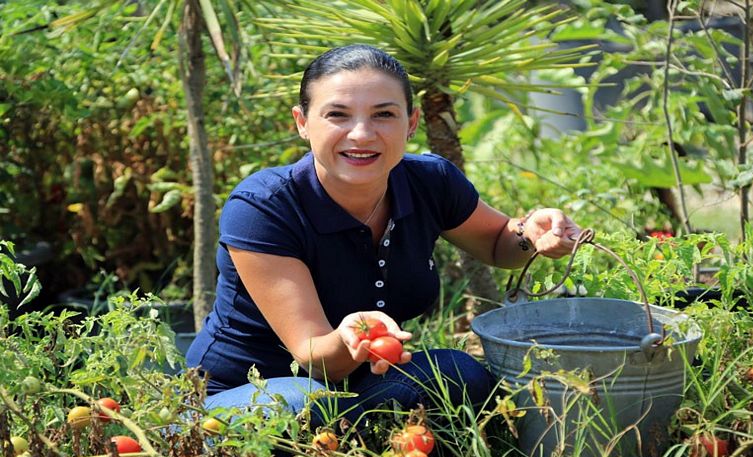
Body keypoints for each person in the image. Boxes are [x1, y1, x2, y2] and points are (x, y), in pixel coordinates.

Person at [185, 44, 581, 428]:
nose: (361, 134)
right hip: (245, 390)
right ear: (303, 122)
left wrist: (530, 232)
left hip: (358, 384)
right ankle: (194, 430)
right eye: (337, 114)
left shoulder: (430, 182)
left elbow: (498, 243)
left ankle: (368, 439)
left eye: (383, 114)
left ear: (410, 123)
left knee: (461, 376)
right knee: (305, 402)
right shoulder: (263, 206)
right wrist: (352, 336)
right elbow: (315, 357)